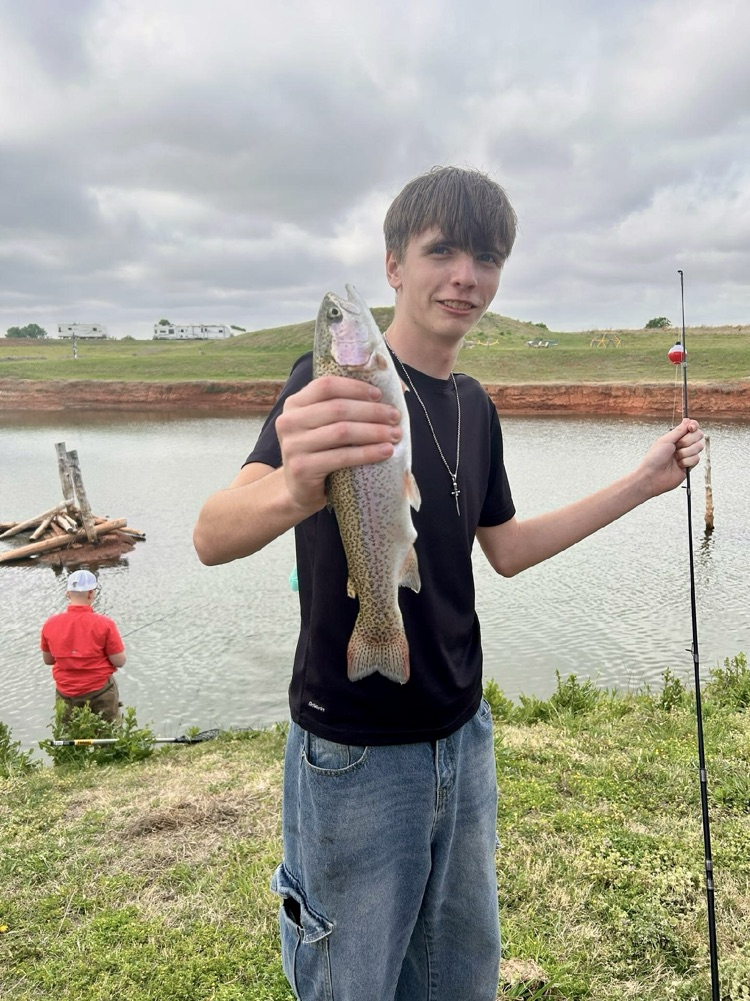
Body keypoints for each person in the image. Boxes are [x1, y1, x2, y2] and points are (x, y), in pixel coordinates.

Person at [193, 166, 704, 1001]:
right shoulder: (327, 388)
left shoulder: (474, 404)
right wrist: (293, 486)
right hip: (353, 752)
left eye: (487, 258)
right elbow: (212, 535)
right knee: (352, 983)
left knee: (461, 978)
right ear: (394, 265)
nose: (466, 276)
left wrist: (642, 483)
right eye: (443, 251)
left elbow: (507, 549)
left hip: (464, 736)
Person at [40, 569, 126, 725]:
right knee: (109, 734)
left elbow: (48, 660)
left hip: (66, 693)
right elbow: (119, 661)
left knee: (69, 734)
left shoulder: (50, 624)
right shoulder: (105, 624)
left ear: (68, 593)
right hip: (100, 691)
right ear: (91, 593)